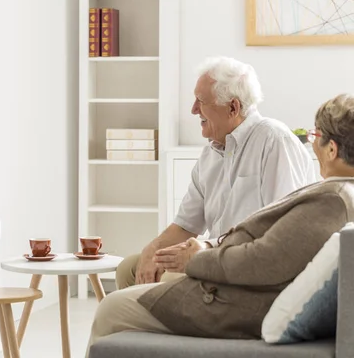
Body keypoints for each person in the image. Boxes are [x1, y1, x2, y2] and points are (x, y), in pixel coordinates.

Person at [86, 94, 354, 354]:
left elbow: (262, 261)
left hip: (235, 298)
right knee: (131, 270)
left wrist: (197, 258)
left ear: (332, 149)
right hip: (230, 274)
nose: (312, 144)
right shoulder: (334, 193)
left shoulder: (331, 199)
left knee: (112, 308)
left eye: (315, 136)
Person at [116, 56, 317, 289]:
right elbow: (185, 226)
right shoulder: (210, 154)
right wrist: (151, 250)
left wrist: (208, 248)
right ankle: (148, 325)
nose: (193, 110)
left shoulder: (274, 141)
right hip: (214, 257)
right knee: (131, 268)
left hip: (245, 267)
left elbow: (281, 228)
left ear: (233, 107)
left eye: (201, 101)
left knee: (169, 278)